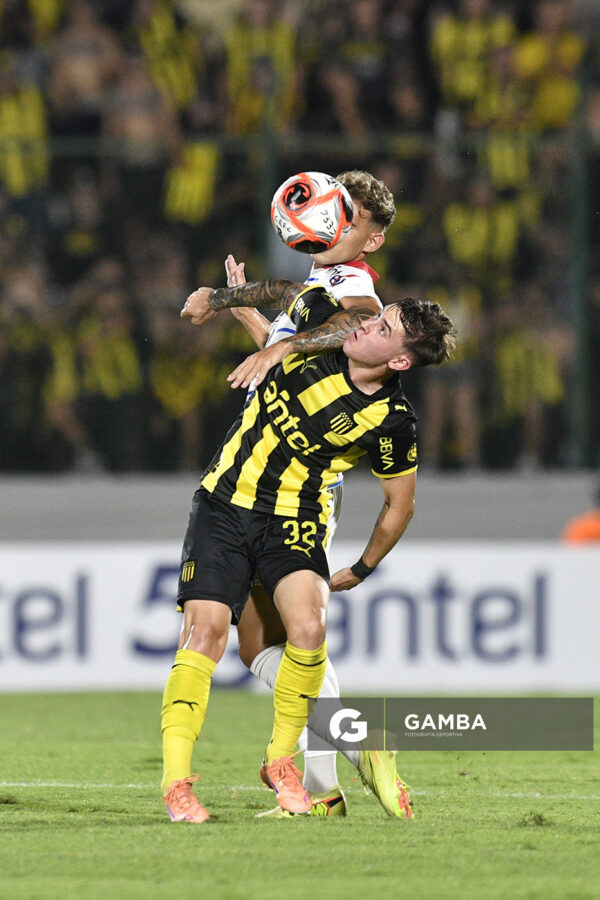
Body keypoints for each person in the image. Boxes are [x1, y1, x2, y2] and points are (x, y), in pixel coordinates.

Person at [161, 275, 455, 823]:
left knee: (309, 629)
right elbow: (282, 295)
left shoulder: (393, 423)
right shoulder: (322, 331)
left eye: (382, 328)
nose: (367, 323)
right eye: (376, 315)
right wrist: (224, 299)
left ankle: (289, 766)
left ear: (399, 363)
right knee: (211, 636)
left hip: (294, 519)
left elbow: (400, 504)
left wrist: (364, 568)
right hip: (224, 502)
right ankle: (178, 784)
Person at [226, 169, 396, 817]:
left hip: (295, 481)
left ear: (368, 240)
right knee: (258, 643)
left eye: (351, 218)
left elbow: (362, 323)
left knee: (287, 640)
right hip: (276, 474)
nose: (339, 221)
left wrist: (286, 340)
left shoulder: (352, 283)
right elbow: (286, 359)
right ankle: (337, 771)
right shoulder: (316, 288)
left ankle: (337, 771)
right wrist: (248, 312)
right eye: (339, 209)